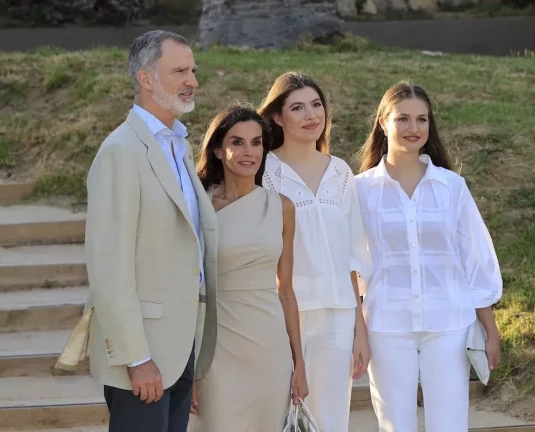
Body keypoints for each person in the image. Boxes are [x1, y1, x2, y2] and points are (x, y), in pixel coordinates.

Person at [82, 30, 218, 432]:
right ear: (145, 79)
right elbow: (109, 266)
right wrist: (136, 359)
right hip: (142, 357)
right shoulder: (120, 152)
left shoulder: (177, 145)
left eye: (192, 69)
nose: (192, 80)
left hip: (180, 350)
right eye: (180, 70)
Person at [354, 81, 503, 432]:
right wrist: (357, 328)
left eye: (422, 119)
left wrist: (490, 327)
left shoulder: (452, 187)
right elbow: (351, 263)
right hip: (386, 324)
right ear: (382, 123)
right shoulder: (360, 190)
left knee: (450, 425)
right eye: (403, 119)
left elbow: (474, 258)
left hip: (449, 322)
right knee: (395, 425)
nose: (413, 128)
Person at [258, 71, 372, 432]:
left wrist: (360, 328)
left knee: (330, 421)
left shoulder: (340, 172)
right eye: (298, 107)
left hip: (337, 317)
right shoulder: (263, 170)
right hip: (281, 315)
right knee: (280, 418)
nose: (311, 115)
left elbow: (352, 257)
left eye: (316, 105)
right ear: (277, 116)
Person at [189, 105, 309, 432]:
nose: (249, 151)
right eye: (237, 142)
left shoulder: (282, 206)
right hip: (217, 346)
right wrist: (192, 367)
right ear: (218, 149)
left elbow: (285, 290)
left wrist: (299, 364)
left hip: (269, 346)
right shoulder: (199, 206)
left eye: (257, 143)